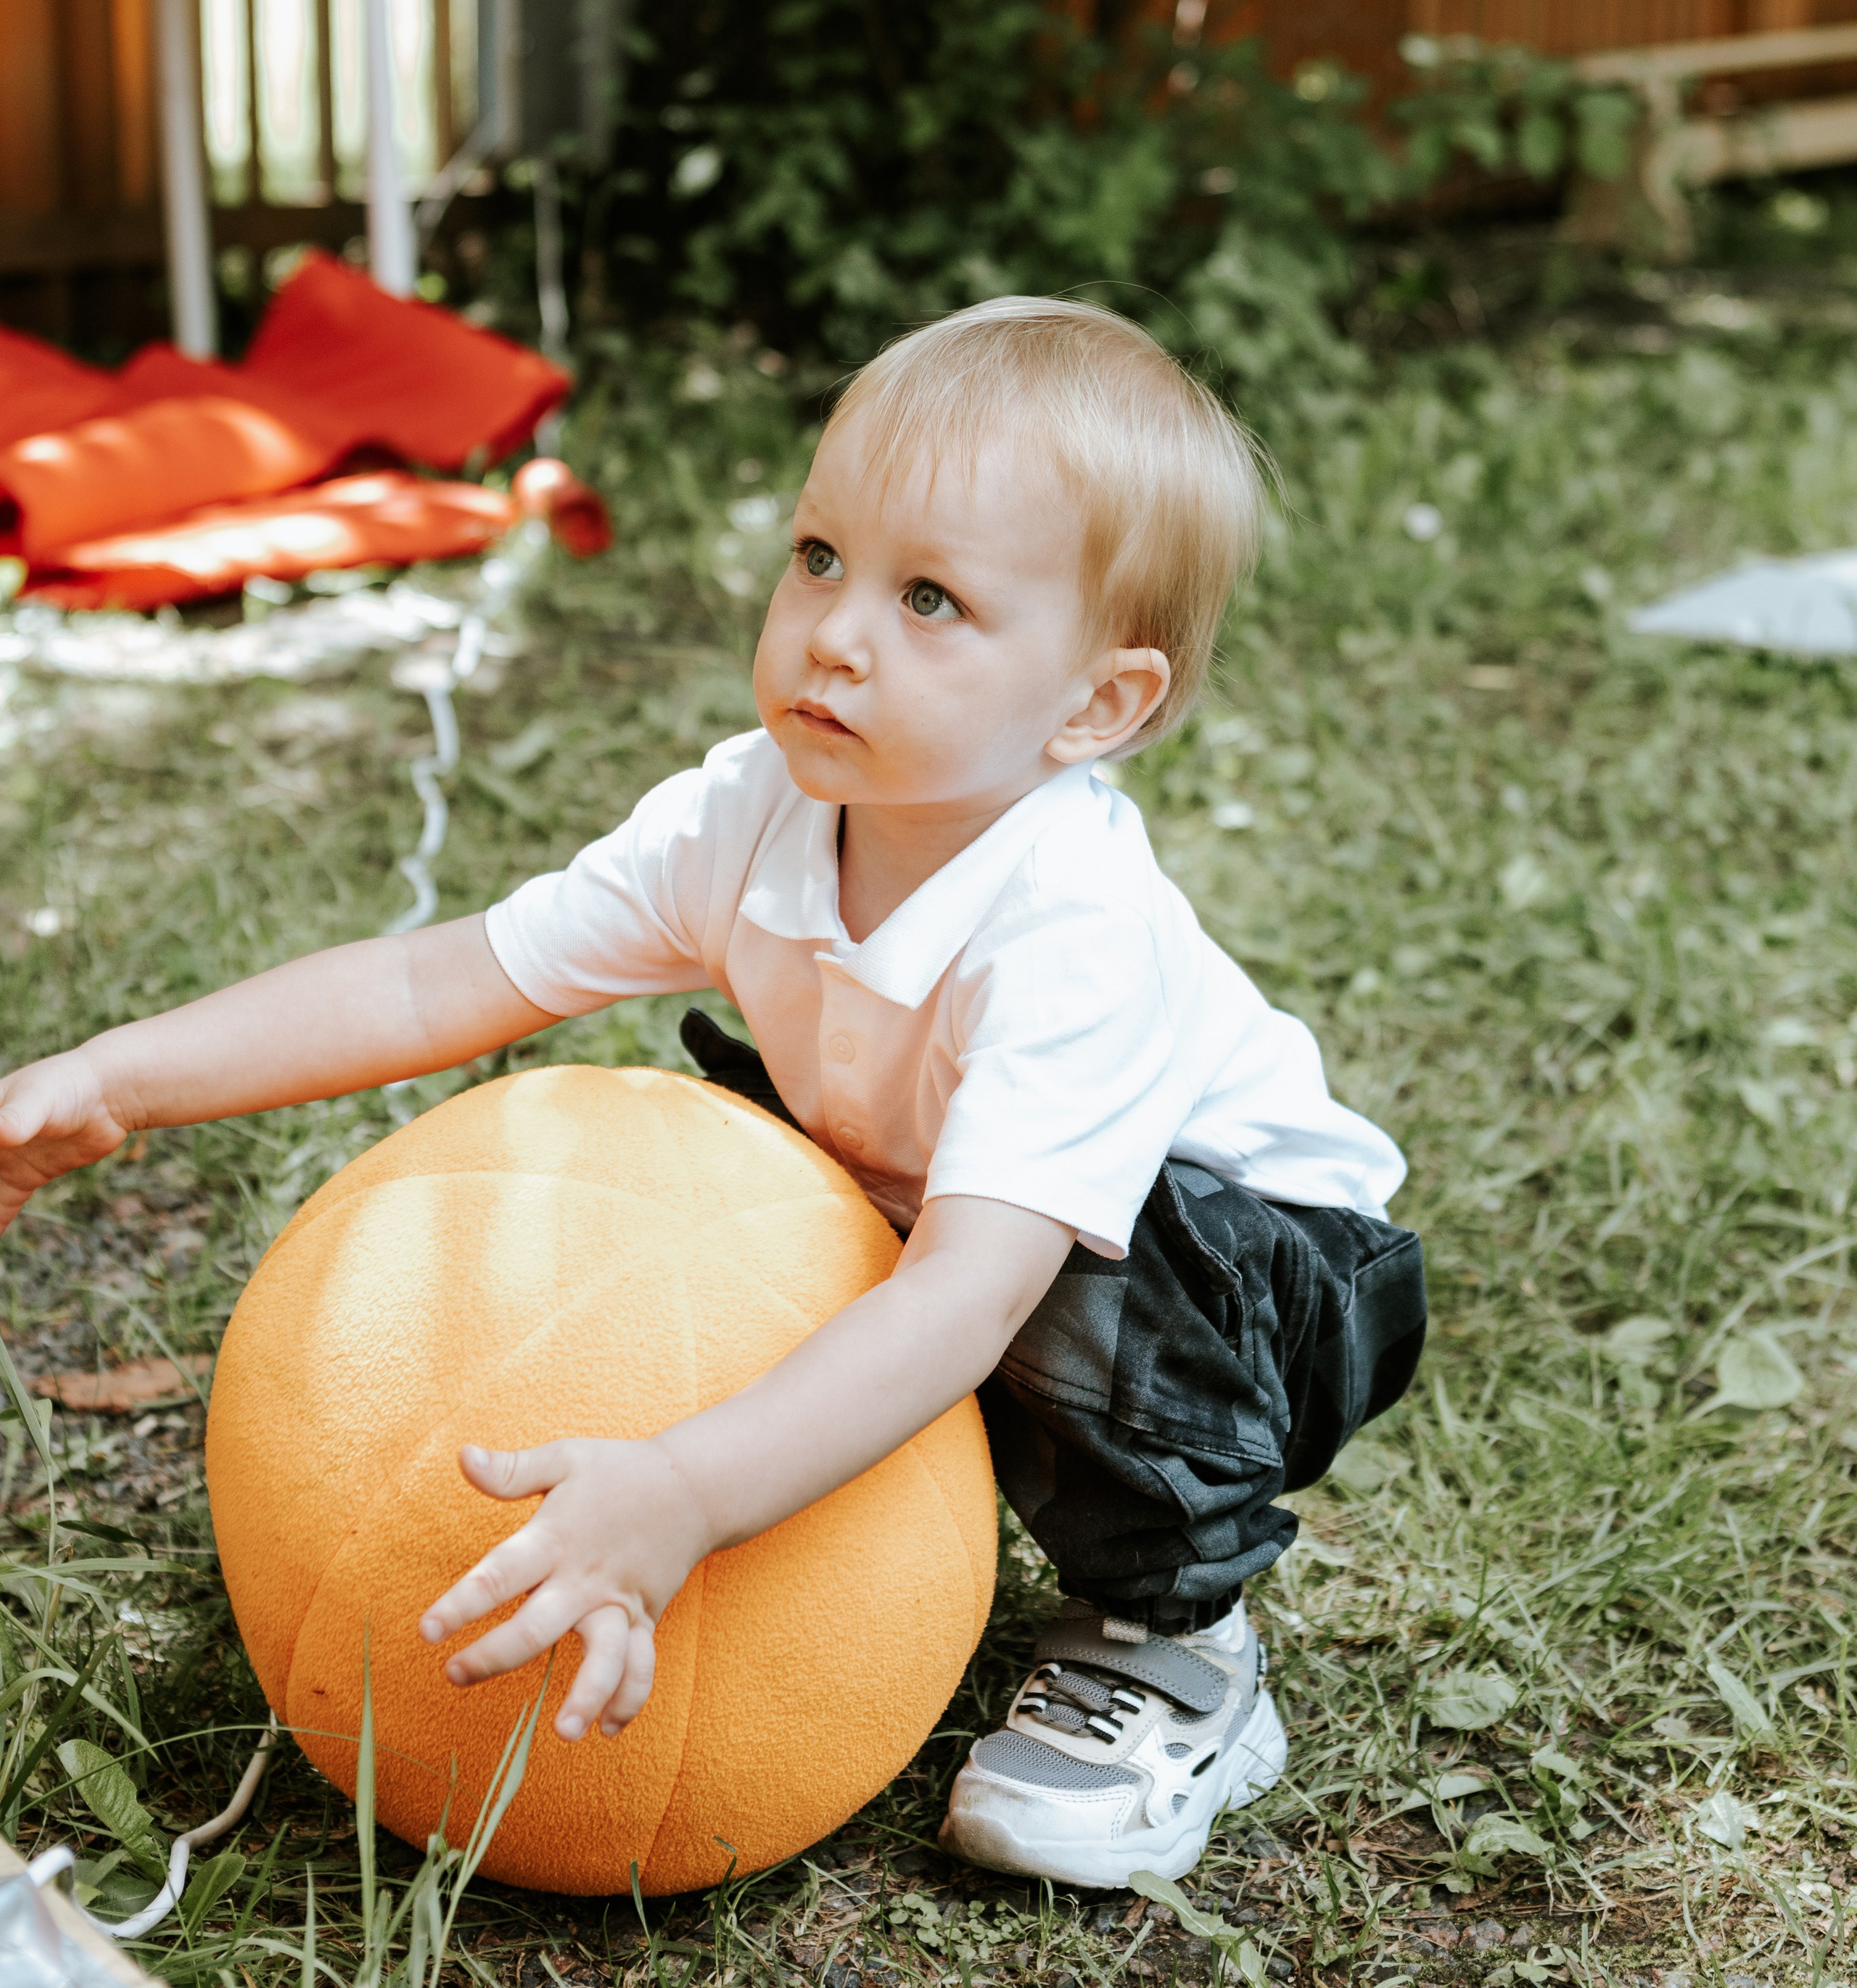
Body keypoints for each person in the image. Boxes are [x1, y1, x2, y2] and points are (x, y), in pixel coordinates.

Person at [0, 295, 1424, 1890]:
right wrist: (120, 1074)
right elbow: (439, 980)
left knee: (1017, 1296)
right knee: (731, 1155)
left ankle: (1177, 1642)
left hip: (1249, 1288)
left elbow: (964, 1298)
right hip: (968, 1209)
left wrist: (685, 1490)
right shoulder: (747, 815)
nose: (835, 631)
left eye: (931, 598)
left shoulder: (1073, 938)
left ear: (1094, 708)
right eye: (818, 557)